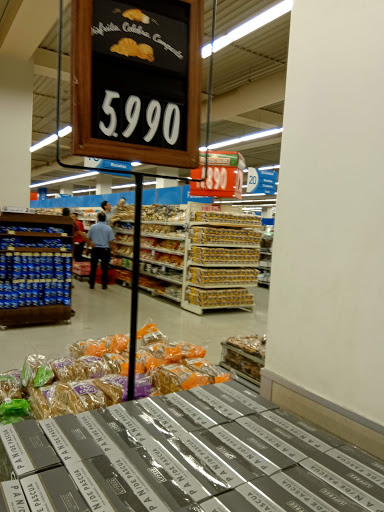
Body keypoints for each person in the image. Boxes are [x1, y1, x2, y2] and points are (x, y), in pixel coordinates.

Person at [88, 212, 114, 290]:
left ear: (98, 218)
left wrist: (87, 248)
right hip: (105, 250)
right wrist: (112, 251)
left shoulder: (92, 227)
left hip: (95, 249)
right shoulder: (109, 228)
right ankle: (104, 285)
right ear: (105, 219)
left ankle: (92, 284)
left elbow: (89, 239)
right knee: (105, 268)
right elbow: (111, 241)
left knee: (93, 268)